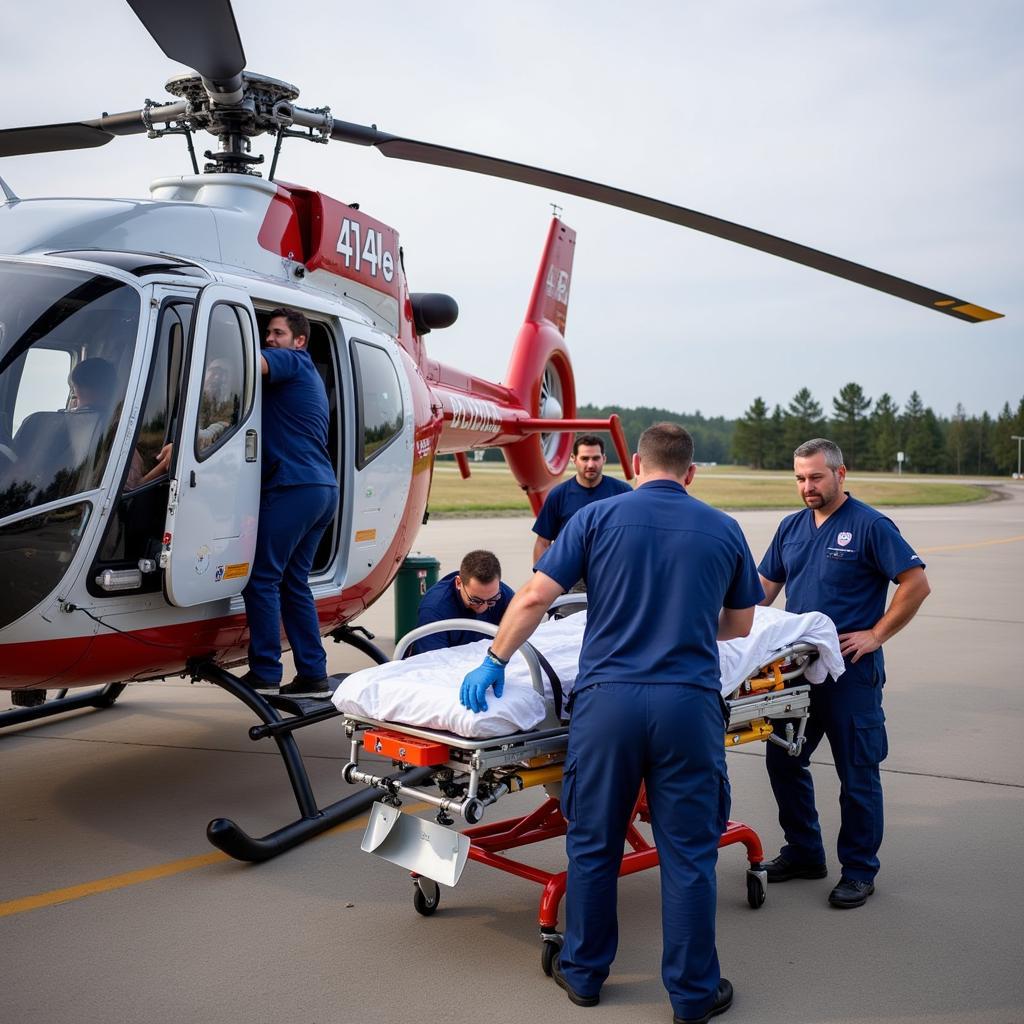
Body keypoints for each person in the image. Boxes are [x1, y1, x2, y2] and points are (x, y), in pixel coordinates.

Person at [460, 423, 763, 1024]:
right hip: (686, 705)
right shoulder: (723, 528)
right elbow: (742, 625)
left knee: (594, 844)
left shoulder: (597, 519)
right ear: (691, 472)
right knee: (688, 852)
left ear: (636, 465)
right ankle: (694, 996)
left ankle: (585, 975)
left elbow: (531, 598)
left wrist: (494, 660)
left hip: (608, 705)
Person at [757, 438, 930, 909]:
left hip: (851, 674)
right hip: (797, 672)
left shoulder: (870, 525)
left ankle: (858, 870)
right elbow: (762, 592)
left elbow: (916, 584)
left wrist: (876, 634)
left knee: (857, 773)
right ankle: (805, 852)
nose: (807, 486)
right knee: (783, 759)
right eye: (799, 478)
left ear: (840, 474)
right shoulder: (791, 528)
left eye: (815, 477)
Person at [240, 308, 338, 700]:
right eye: (268, 332)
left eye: (277, 332)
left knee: (262, 577)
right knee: (295, 582)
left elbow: (252, 364)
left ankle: (265, 672)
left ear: (299, 340)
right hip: (321, 488)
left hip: (294, 487)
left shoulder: (291, 361)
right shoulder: (306, 372)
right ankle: (313, 675)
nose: (269, 338)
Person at [532, 433, 631, 569]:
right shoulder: (558, 495)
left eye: (596, 458)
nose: (590, 464)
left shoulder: (622, 492)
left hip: (611, 571)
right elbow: (543, 542)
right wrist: (540, 576)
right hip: (570, 574)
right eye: (585, 458)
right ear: (573, 459)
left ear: (604, 459)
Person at [408, 550, 514, 656]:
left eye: (492, 600)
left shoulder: (504, 595)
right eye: (475, 601)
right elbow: (433, 663)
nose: (484, 607)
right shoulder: (435, 609)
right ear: (458, 583)